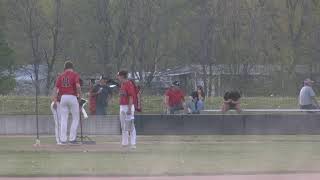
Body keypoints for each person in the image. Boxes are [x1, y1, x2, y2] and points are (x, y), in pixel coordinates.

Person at [53, 61, 81, 144]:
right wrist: (80, 95)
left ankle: (63, 139)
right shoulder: (74, 74)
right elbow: (78, 86)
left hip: (63, 97)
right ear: (72, 67)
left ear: (65, 68)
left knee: (64, 118)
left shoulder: (61, 75)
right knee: (75, 118)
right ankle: (72, 139)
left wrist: (54, 100)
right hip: (72, 97)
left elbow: (55, 89)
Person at [117, 70, 137, 149]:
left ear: (122, 76)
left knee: (130, 126)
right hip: (122, 106)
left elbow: (131, 97)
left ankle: (133, 143)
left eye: (118, 76)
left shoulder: (129, 84)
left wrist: (129, 109)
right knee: (123, 125)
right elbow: (124, 94)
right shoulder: (122, 84)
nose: (118, 77)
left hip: (128, 106)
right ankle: (125, 143)